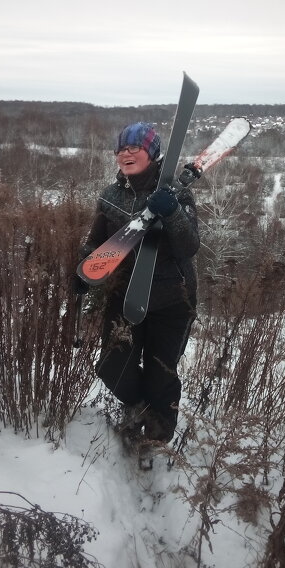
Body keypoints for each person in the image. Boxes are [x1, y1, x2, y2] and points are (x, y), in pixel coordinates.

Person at [74, 122, 199, 444]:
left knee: (162, 375)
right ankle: (138, 407)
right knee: (112, 367)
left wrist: (171, 212)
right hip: (126, 294)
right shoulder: (111, 195)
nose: (126, 154)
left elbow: (189, 247)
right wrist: (82, 273)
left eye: (134, 148)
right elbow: (97, 242)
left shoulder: (177, 193)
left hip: (173, 299)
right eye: (121, 149)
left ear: (152, 153)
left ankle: (156, 441)